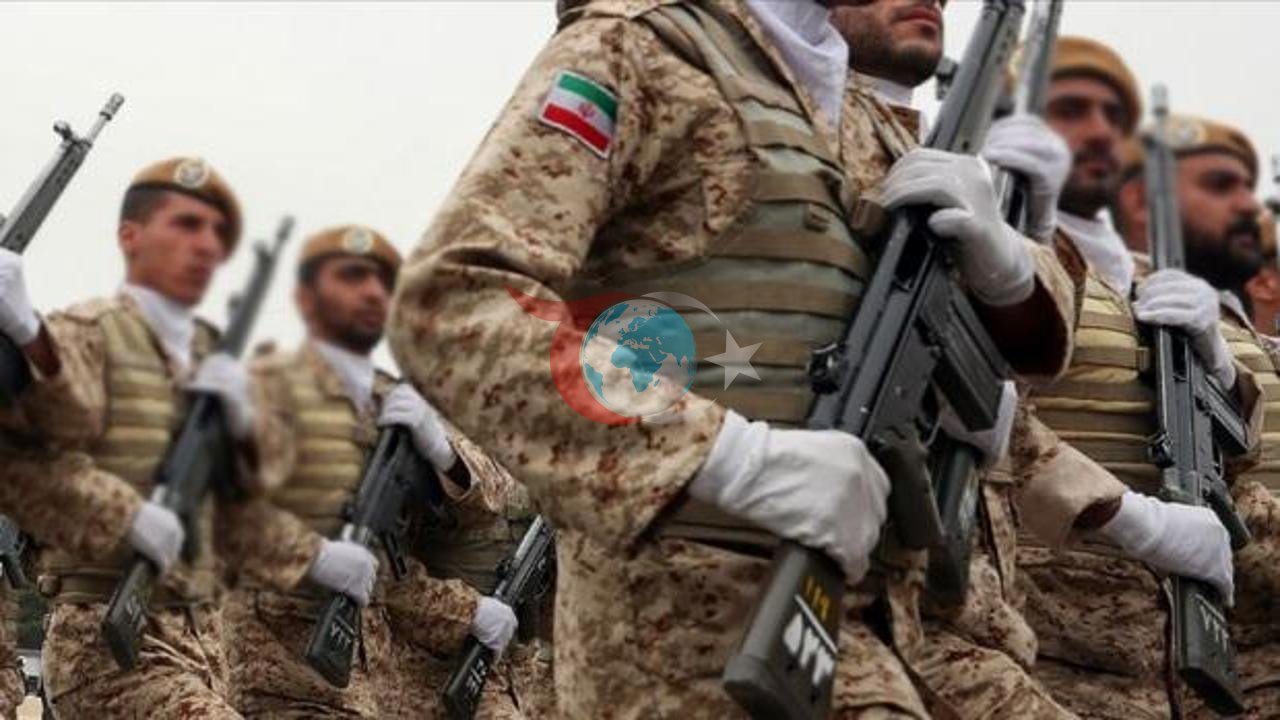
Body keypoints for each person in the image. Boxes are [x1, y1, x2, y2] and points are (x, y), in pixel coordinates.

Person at [388, 0, 1078, 716]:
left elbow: (1020, 353)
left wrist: (1013, 268)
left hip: (868, 627)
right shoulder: (639, 49)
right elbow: (453, 306)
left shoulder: (852, 113)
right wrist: (733, 459)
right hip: (679, 638)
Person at [219, 225, 520, 718]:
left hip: (375, 679)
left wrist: (442, 451)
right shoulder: (263, 389)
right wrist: (313, 557)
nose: (372, 292)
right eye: (351, 276)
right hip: (283, 671)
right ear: (305, 298)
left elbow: (492, 501)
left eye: (384, 282)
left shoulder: (394, 401)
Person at [0, 157, 250, 717]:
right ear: (131, 236)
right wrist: (127, 518)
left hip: (201, 648)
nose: (204, 244)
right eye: (184, 224)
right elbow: (32, 453)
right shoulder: (87, 334)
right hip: (110, 649)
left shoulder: (204, 360)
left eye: (215, 231)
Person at [1114, 117, 1280, 718]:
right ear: (1141, 199)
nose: (1248, 207)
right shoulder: (1106, 303)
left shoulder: (1242, 341)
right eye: (1218, 186)